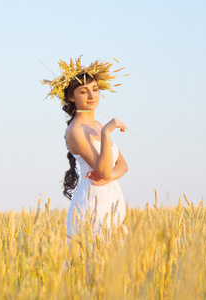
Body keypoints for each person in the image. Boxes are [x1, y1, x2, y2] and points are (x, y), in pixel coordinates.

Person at [42, 57, 129, 237]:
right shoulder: (75, 131)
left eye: (95, 89)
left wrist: (108, 177)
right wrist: (105, 133)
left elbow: (123, 165)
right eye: (83, 91)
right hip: (93, 200)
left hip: (112, 197)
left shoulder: (96, 124)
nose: (92, 96)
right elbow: (104, 169)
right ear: (71, 97)